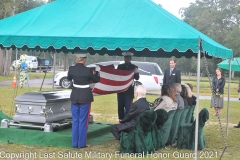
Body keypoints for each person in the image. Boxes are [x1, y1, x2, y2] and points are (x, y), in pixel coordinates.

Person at [67, 50, 100, 148]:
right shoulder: (88, 70)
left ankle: (74, 143)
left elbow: (69, 78)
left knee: (75, 120)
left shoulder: (71, 69)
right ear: (84, 59)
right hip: (85, 97)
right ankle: (81, 144)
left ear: (77, 59)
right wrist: (97, 73)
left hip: (75, 96)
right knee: (82, 121)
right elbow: (97, 80)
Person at [117, 52, 140, 121]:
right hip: (121, 90)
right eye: (125, 57)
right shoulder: (120, 67)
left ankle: (127, 121)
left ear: (130, 58)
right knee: (120, 106)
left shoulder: (134, 67)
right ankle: (121, 120)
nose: (126, 59)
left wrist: (136, 72)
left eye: (128, 57)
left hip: (129, 90)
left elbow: (137, 78)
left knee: (128, 107)